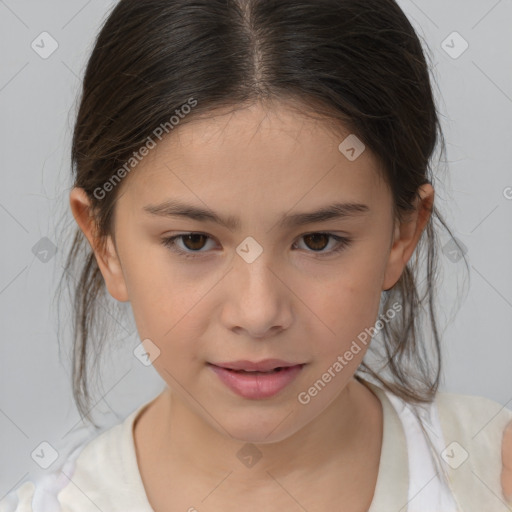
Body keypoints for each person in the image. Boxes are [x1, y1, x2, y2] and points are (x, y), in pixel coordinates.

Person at [2, 0, 511, 511]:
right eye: (193, 241)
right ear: (104, 243)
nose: (258, 312)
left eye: (318, 241)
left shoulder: (492, 474)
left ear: (403, 233)